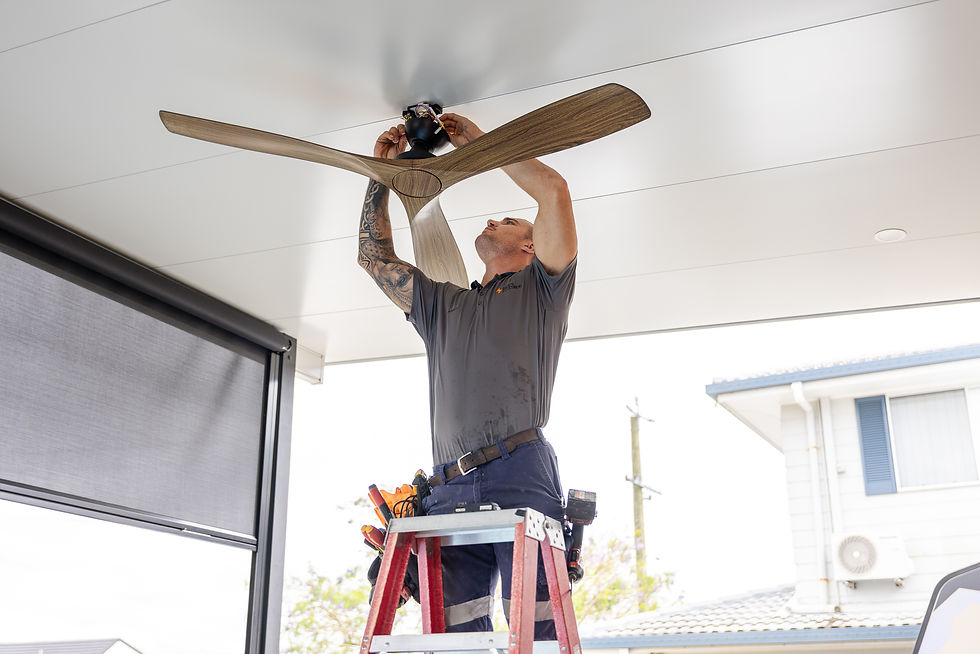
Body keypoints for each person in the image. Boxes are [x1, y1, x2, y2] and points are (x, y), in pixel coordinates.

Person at [357, 112, 577, 638]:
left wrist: (480, 146)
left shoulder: (543, 290)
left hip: (519, 470)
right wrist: (379, 177)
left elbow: (554, 191)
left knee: (536, 629)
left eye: (508, 221)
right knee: (457, 637)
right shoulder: (442, 306)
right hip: (448, 484)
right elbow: (373, 257)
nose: (491, 221)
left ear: (531, 246)